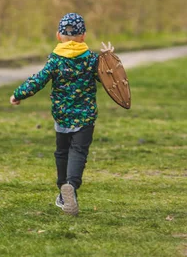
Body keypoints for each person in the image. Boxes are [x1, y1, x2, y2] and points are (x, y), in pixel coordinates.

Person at [9, 13, 113, 216]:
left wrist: (18, 94)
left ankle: (62, 189)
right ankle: (71, 187)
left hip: (62, 117)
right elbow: (110, 79)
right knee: (79, 153)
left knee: (62, 153)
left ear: (58, 36)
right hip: (85, 118)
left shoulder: (55, 61)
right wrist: (108, 58)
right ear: (83, 37)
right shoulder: (92, 60)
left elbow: (37, 80)